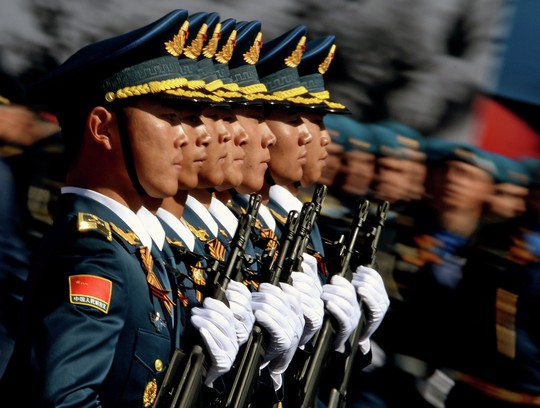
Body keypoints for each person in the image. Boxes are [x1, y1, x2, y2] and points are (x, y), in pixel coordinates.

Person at [0, 10, 244, 407]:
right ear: (101, 128)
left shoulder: (135, 249)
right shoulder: (95, 253)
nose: (188, 137)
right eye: (170, 118)